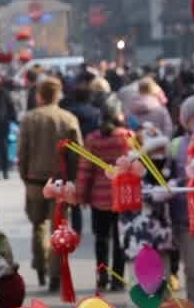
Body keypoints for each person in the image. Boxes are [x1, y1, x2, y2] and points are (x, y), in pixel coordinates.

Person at [19, 77, 81, 290]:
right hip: (60, 181)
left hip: (35, 181)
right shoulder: (68, 119)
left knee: (38, 225)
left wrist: (24, 177)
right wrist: (73, 180)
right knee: (59, 228)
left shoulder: (29, 119)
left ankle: (40, 265)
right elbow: (77, 154)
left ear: (39, 95)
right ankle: (56, 274)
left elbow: (22, 152)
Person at [78, 115, 134, 294]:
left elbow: (85, 169)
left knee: (101, 239)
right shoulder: (127, 137)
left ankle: (102, 276)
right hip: (122, 196)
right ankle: (118, 278)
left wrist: (82, 195)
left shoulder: (92, 139)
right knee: (120, 240)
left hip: (98, 197)